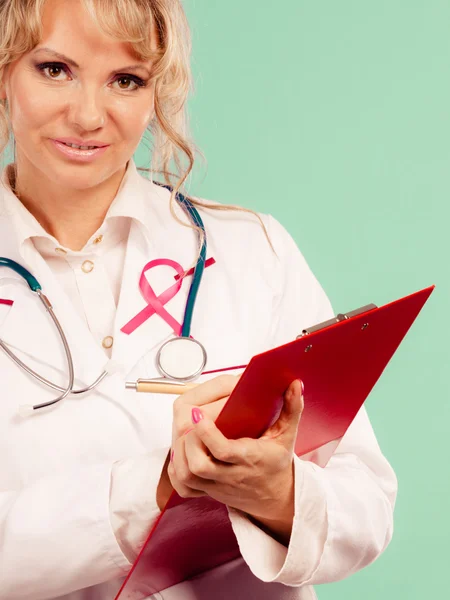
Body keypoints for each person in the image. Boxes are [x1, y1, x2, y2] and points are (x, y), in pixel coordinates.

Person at [0, 1, 397, 599]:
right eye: (54, 69)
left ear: (157, 94)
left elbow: (365, 507)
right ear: (6, 72)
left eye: (126, 80)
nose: (87, 115)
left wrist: (279, 496)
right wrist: (154, 489)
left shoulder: (251, 250)